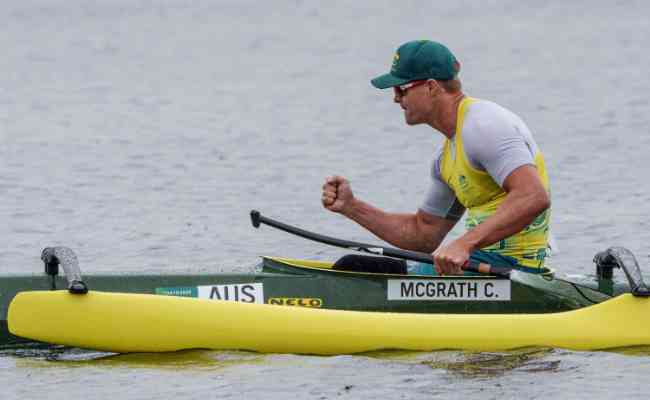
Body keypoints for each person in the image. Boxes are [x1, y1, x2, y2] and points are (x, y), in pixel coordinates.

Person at [322, 40, 551, 276]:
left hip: (511, 272)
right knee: (352, 267)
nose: (396, 98)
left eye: (402, 89)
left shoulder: (484, 125)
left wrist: (464, 244)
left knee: (353, 273)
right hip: (479, 264)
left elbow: (533, 195)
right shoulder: (445, 158)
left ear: (431, 87)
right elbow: (424, 234)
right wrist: (351, 207)